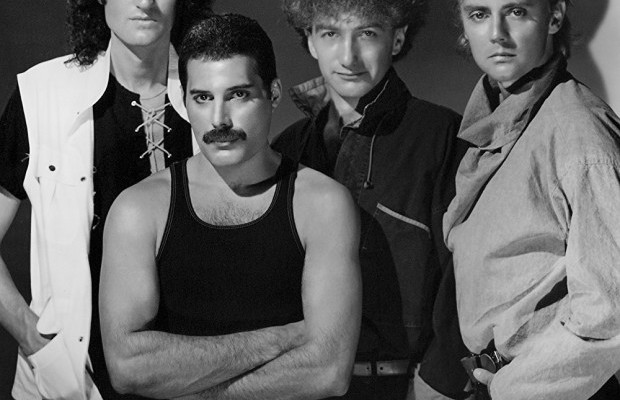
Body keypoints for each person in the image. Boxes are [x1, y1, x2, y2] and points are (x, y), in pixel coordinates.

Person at [99, 13, 362, 400]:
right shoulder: (139, 209)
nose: (219, 120)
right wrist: (282, 338)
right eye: (202, 98)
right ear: (185, 100)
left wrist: (191, 389)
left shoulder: (322, 204)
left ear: (273, 94)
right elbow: (128, 368)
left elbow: (327, 372)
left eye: (238, 95)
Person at [0, 0, 213, 398]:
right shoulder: (43, 93)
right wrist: (31, 338)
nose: (145, 2)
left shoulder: (215, 89)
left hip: (193, 375)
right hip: (71, 380)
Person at [274, 1, 471, 399]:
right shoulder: (287, 150)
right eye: (331, 33)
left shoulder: (443, 137)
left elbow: (467, 273)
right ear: (310, 40)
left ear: (397, 38)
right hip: (302, 386)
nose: (348, 57)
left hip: (407, 388)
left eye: (366, 33)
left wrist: (441, 380)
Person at [444, 0, 620, 399]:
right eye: (479, 14)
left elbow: (611, 310)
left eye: (516, 12)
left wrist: (512, 388)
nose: (496, 34)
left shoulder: (579, 129)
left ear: (554, 16)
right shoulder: (494, 123)